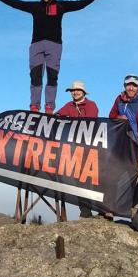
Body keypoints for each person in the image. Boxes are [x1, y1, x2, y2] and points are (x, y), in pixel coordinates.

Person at [0, 0, 110, 114]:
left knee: (52, 76)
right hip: (36, 45)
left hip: (54, 45)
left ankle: (49, 107)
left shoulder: (60, 6)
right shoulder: (35, 7)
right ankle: (34, 106)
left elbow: (81, 4)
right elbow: (14, 3)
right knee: (35, 76)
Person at [56, 80, 98, 218]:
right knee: (79, 180)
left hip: (89, 148)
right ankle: (85, 211)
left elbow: (89, 123)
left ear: (84, 92)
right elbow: (56, 116)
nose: (75, 92)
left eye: (78, 90)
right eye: (73, 90)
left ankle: (100, 209)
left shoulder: (91, 105)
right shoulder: (69, 105)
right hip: (74, 149)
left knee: (91, 180)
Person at [109, 74, 138, 174]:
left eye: (134, 86)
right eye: (128, 85)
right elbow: (111, 116)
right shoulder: (119, 99)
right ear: (124, 86)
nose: (131, 88)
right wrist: (119, 118)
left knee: (130, 179)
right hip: (117, 146)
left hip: (133, 149)